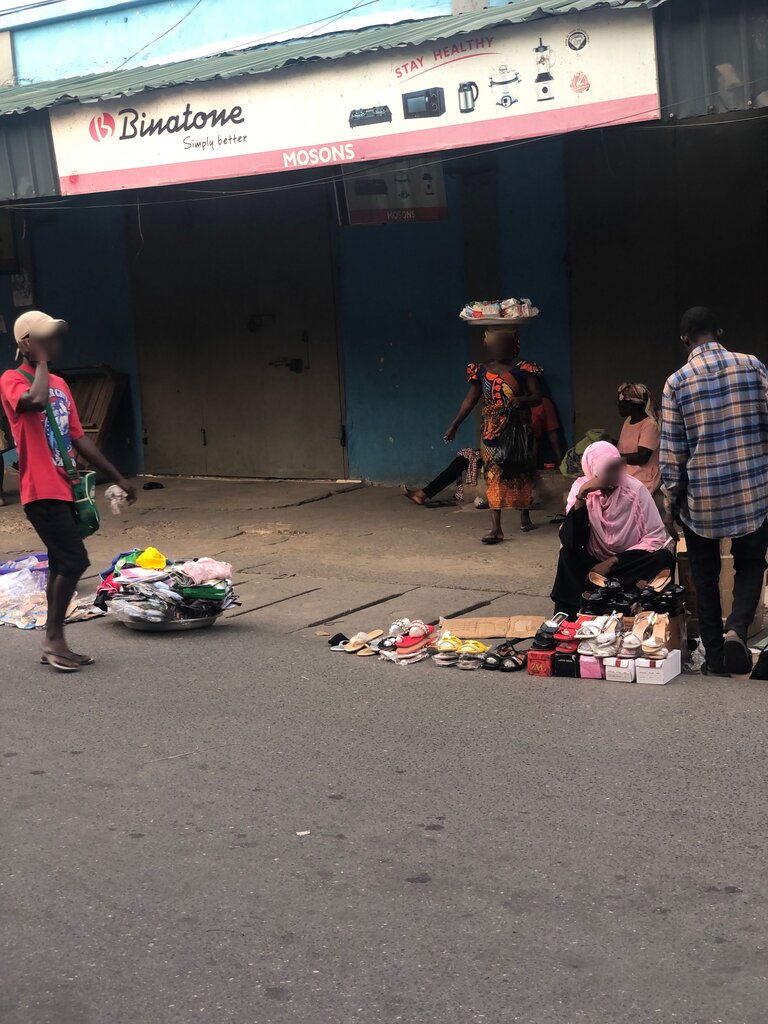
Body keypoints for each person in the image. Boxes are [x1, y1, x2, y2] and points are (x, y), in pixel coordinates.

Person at [0, 311, 137, 672]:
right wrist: (40, 361)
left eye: (55, 338)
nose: (54, 344)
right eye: (44, 339)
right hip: (40, 490)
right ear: (26, 344)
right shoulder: (12, 380)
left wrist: (118, 476)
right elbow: (33, 401)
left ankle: (54, 641)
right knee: (75, 560)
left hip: (66, 487)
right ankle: (53, 639)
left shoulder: (60, 384)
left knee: (62, 562)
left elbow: (78, 437)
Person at [660, 306, 768, 676]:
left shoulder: (676, 383)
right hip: (752, 491)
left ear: (684, 340)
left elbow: (672, 454)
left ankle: (717, 659)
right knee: (751, 564)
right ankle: (737, 628)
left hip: (702, 501)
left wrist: (671, 503)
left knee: (704, 576)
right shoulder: (753, 366)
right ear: (719, 332)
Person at [550, 440, 674, 616]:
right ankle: (567, 617)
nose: (615, 475)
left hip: (627, 563)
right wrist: (582, 496)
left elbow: (655, 537)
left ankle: (614, 596)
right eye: (609, 469)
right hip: (593, 564)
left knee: (663, 558)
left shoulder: (635, 490)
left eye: (617, 468)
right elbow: (572, 538)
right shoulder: (580, 488)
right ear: (593, 470)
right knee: (567, 555)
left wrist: (612, 561)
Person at [444, 327, 541, 541]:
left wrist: (523, 400)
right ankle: (496, 527)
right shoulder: (481, 370)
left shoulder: (524, 368)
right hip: (491, 431)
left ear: (512, 344)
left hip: (518, 429)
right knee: (492, 474)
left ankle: (524, 512)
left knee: (521, 471)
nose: (499, 348)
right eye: (495, 344)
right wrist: (454, 425)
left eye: (503, 343)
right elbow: (470, 400)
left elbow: (537, 397)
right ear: (487, 344)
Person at [617, 382, 661, 493]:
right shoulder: (628, 421)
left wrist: (614, 458)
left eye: (623, 402)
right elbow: (628, 446)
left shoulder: (650, 425)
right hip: (627, 470)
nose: (619, 405)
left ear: (635, 404)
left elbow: (642, 457)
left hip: (643, 475)